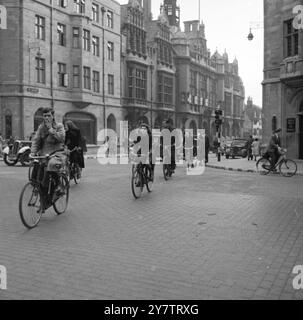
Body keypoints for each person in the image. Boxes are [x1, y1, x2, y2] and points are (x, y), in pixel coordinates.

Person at [30, 107, 66, 194]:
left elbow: (61, 138)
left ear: (53, 116)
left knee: (51, 164)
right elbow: (36, 140)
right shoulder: (41, 127)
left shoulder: (59, 126)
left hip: (57, 152)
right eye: (44, 116)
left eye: (48, 115)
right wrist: (33, 151)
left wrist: (51, 130)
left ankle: (58, 185)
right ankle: (38, 187)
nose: (46, 118)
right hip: (44, 153)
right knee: (37, 168)